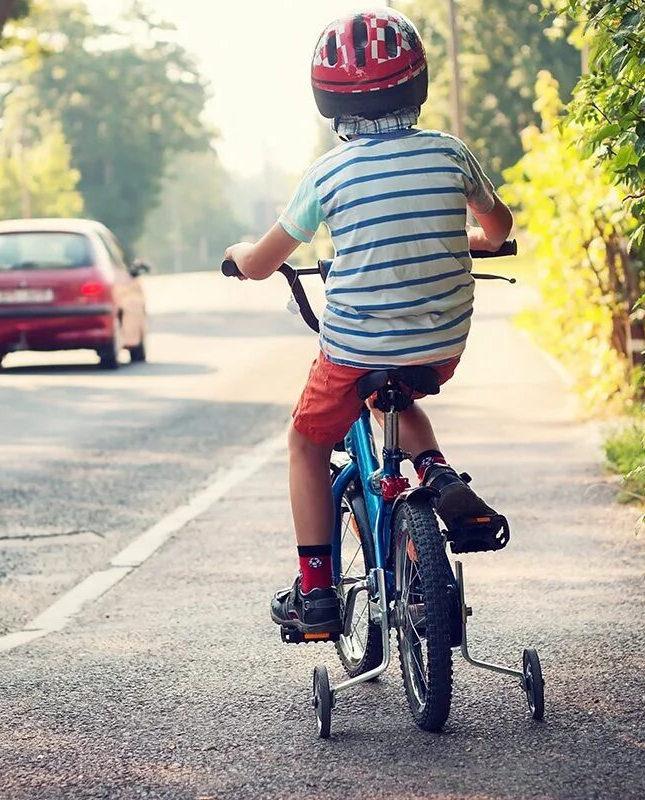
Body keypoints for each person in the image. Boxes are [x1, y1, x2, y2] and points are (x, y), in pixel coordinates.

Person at [223, 8, 514, 635]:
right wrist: (474, 240)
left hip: (355, 348)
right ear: (418, 81)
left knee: (306, 441)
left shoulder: (328, 174)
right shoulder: (450, 153)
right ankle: (435, 472)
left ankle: (318, 593)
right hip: (440, 345)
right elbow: (499, 228)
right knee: (398, 392)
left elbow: (263, 261)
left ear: (326, 98)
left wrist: (241, 258)